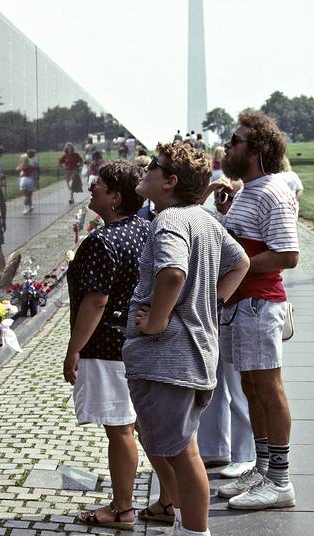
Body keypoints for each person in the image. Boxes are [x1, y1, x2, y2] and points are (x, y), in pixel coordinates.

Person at [123, 143, 249, 536]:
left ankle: (194, 530)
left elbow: (173, 272)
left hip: (169, 360)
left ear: (170, 181)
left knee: (182, 453)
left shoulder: (171, 220)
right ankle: (185, 524)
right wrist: (211, 300)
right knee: (182, 448)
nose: (145, 171)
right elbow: (240, 262)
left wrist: (157, 322)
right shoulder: (205, 219)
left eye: (154, 167)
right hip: (193, 354)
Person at [199, 111, 299, 511]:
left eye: (235, 141)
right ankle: (262, 467)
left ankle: (280, 480)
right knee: (252, 389)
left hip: (259, 304)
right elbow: (249, 242)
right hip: (243, 306)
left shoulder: (271, 192)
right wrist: (227, 214)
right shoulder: (251, 190)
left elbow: (288, 255)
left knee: (268, 388)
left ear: (256, 150)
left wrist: (234, 265)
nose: (227, 146)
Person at [63, 161, 149, 530]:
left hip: (109, 346)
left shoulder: (103, 240)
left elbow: (96, 300)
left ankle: (122, 509)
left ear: (115, 197)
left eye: (97, 185)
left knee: (120, 428)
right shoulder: (147, 229)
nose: (90, 189)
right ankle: (170, 498)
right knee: (143, 426)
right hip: (139, 341)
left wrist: (73, 348)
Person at [195, 178, 256, 480]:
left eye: (232, 196)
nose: (226, 200)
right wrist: (210, 196)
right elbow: (189, 214)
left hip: (237, 302)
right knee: (214, 380)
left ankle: (245, 452)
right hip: (216, 304)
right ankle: (215, 446)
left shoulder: (245, 217)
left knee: (237, 383)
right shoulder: (215, 216)